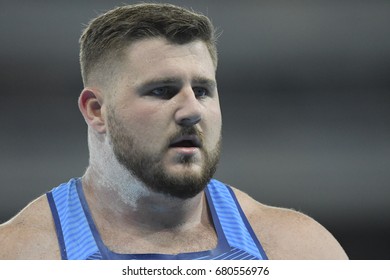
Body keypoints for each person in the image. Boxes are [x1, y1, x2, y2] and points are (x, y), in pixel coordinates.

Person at [0, 3, 348, 260]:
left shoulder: (299, 251)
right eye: (162, 91)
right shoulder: (20, 255)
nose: (192, 111)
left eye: (202, 90)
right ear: (96, 111)